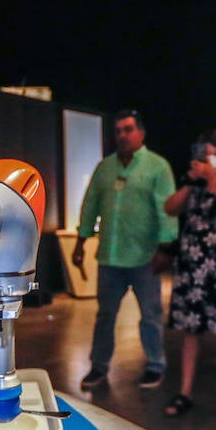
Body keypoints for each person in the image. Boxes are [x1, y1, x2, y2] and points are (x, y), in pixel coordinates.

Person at [72, 109, 178, 391]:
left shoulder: (158, 167)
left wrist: (166, 249)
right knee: (105, 315)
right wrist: (81, 243)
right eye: (118, 130)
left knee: (151, 314)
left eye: (128, 129)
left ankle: (155, 364)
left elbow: (167, 210)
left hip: (145, 258)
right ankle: (99, 365)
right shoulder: (105, 168)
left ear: (141, 133)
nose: (123, 135)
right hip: (110, 257)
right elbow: (90, 206)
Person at [161, 127, 216, 419]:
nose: (210, 161)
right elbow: (170, 208)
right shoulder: (194, 182)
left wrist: (213, 179)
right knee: (191, 329)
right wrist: (190, 183)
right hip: (193, 266)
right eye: (206, 155)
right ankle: (185, 390)